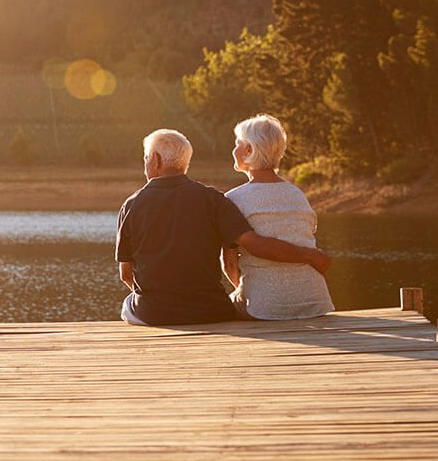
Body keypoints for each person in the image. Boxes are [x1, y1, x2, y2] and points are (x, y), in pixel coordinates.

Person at [117, 128, 331, 326]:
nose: (146, 164)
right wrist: (310, 255)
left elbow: (126, 275)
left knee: (128, 305)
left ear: (154, 160)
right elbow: (249, 247)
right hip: (210, 310)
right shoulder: (214, 200)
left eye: (146, 158)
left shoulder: (131, 205)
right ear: (185, 163)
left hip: (154, 313)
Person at [222, 115, 334, 320]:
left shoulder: (232, 199)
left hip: (265, 308)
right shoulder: (297, 194)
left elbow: (229, 266)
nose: (233, 150)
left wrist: (252, 291)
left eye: (237, 144)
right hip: (315, 302)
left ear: (249, 150)